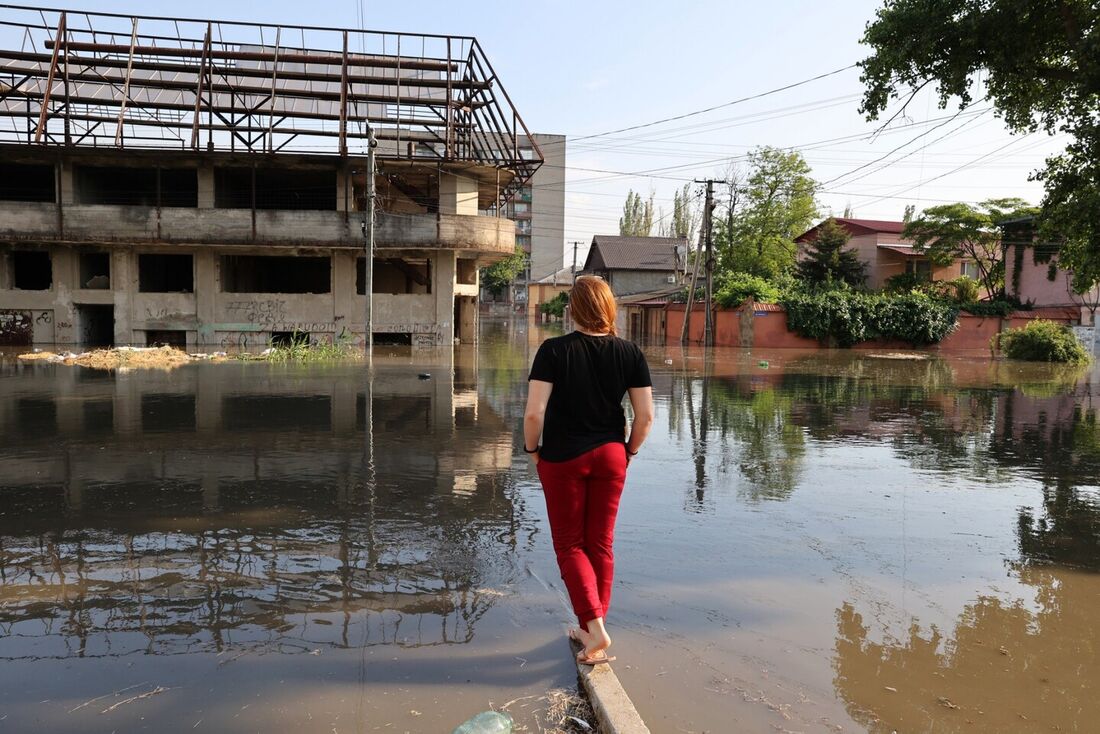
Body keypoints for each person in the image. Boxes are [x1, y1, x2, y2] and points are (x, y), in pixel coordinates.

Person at [523, 275, 654, 665]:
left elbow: (534, 413)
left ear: (572, 309)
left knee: (569, 545)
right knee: (600, 543)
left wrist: (532, 450)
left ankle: (593, 627)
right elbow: (645, 417)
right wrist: (627, 452)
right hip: (611, 454)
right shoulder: (630, 352)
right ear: (609, 307)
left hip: (563, 457)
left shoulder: (553, 351)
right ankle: (595, 625)